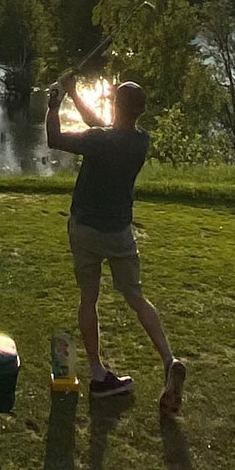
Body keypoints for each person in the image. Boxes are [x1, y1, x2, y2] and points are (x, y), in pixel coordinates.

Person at [46, 74, 186, 414]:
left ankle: (97, 374)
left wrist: (55, 103)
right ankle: (168, 360)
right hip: (120, 233)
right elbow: (103, 130)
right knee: (135, 297)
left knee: (88, 298)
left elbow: (54, 139)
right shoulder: (140, 142)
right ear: (139, 112)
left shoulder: (100, 140)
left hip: (87, 229)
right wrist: (78, 95)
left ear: (115, 106)